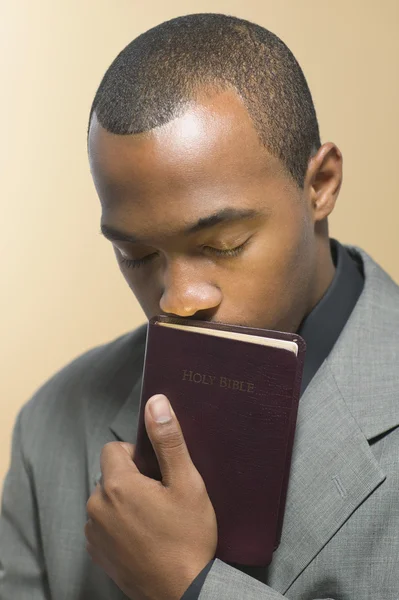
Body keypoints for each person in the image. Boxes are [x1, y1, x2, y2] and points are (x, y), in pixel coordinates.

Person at [1, 12, 398, 600]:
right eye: (137, 255)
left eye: (222, 245)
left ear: (321, 185)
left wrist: (191, 587)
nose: (177, 299)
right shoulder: (51, 425)